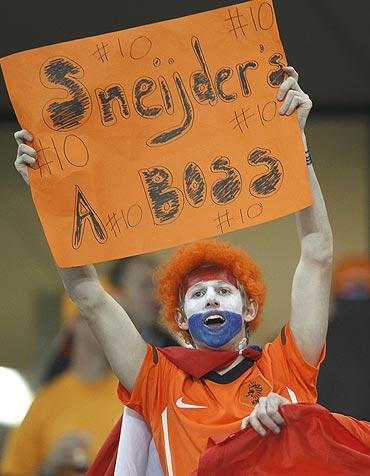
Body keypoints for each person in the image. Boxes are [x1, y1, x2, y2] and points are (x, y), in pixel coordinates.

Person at [13, 67, 341, 474]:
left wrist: (298, 144)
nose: (212, 299)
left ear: (251, 309)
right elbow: (89, 296)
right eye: (198, 295)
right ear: (181, 320)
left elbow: (317, 253)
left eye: (223, 291)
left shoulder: (287, 366)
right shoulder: (159, 383)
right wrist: (47, 197)